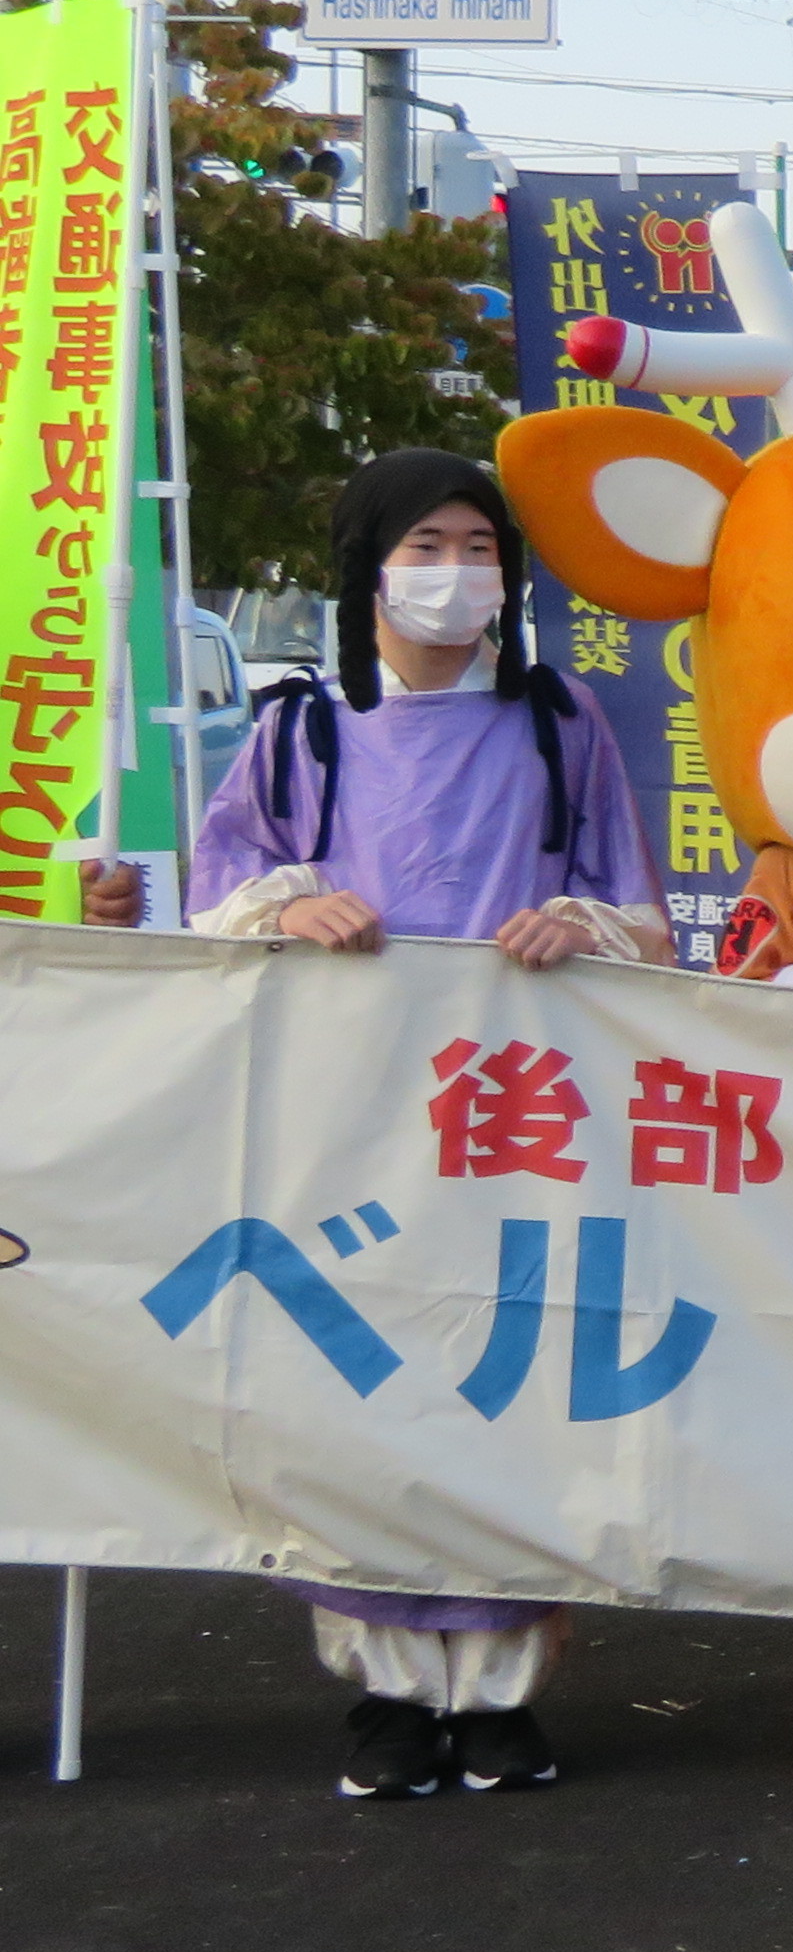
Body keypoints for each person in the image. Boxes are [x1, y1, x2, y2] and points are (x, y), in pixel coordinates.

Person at [147, 455, 665, 1799]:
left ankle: (500, 1694)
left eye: (481, 544)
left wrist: (583, 925)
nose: (459, 570)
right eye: (430, 541)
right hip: (354, 1119)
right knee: (358, 1381)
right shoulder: (301, 733)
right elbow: (219, 895)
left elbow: (642, 910)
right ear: (369, 566)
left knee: (514, 1379)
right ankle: (384, 1692)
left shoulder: (562, 725)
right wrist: (291, 905)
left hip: (522, 1116)